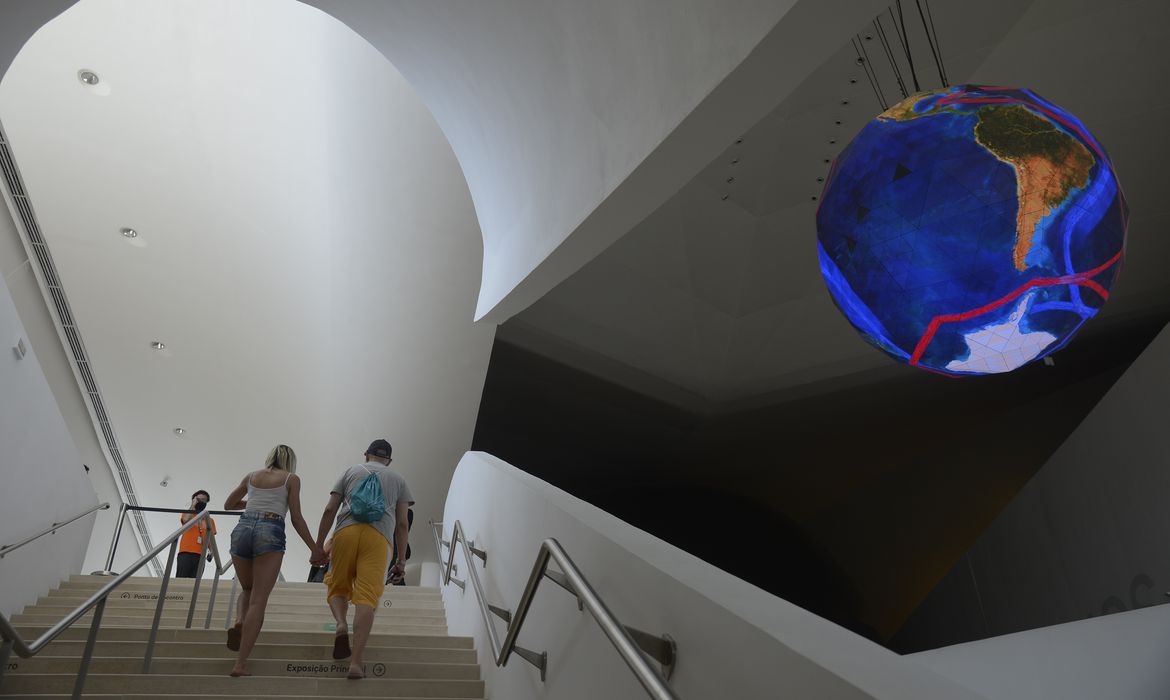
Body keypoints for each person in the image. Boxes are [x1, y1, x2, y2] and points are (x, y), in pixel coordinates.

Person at [312, 438, 413, 679]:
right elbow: (402, 523)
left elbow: (329, 509)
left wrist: (318, 546)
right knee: (367, 597)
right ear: (389, 460)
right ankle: (356, 663)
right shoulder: (399, 480)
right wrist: (401, 561)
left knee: (337, 586)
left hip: (345, 533)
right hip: (379, 539)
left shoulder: (350, 471)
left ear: (366, 454)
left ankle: (340, 624)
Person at [222, 444, 325, 677]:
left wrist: (254, 501)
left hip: (243, 528)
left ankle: (240, 620)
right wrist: (314, 548)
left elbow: (228, 505)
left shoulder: (251, 476)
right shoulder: (291, 479)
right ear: (290, 461)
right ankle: (240, 664)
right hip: (270, 528)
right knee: (258, 600)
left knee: (247, 589)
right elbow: (296, 518)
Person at [177, 490, 215, 578]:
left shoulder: (209, 520)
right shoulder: (188, 514)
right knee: (181, 579)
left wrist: (212, 552)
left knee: (195, 582)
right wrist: (193, 505)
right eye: (199, 499)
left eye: (204, 500)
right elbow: (185, 520)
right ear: (194, 499)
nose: (202, 502)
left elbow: (210, 539)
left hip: (201, 555)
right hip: (185, 552)